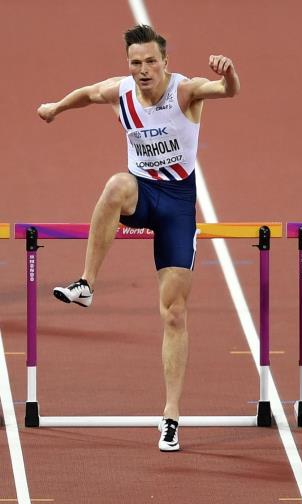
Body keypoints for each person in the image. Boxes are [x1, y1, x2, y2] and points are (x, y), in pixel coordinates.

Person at [37, 25, 240, 451]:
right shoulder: (121, 92)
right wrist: (56, 107)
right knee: (116, 185)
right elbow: (87, 93)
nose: (144, 70)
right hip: (142, 195)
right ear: (128, 65)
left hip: (177, 206)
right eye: (136, 63)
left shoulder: (186, 92)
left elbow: (227, 91)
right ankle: (86, 284)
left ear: (165, 62)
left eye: (151, 62)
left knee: (174, 313)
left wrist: (229, 73)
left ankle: (171, 416)